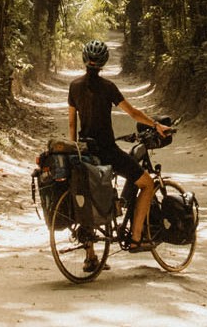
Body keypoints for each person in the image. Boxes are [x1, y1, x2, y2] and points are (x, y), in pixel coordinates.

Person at [67, 38, 171, 260]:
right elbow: (132, 113)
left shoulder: (74, 87)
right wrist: (155, 124)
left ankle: (90, 256)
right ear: (104, 62)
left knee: (88, 193)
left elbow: (71, 124)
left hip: (85, 151)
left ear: (85, 60)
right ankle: (135, 239)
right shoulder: (108, 88)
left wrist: (75, 149)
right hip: (107, 151)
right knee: (147, 183)